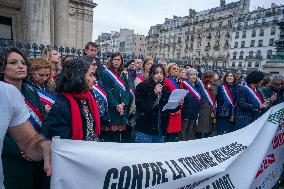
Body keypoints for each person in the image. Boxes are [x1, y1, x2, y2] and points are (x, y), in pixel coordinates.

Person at [0, 46, 47, 189]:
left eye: (23, 62)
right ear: (2, 68)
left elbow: (43, 121)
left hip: (37, 157)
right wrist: (23, 149)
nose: (20, 66)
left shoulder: (31, 90)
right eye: (13, 62)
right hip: (14, 160)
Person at [43, 57, 101, 141]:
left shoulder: (87, 98)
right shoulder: (62, 106)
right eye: (91, 75)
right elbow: (60, 142)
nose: (95, 79)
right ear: (78, 77)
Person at [134, 64, 182, 143]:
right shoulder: (142, 86)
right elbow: (141, 107)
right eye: (156, 73)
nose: (159, 76)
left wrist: (177, 104)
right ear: (151, 74)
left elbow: (169, 108)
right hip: (145, 131)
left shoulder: (165, 88)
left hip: (160, 131)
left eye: (161, 73)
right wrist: (154, 93)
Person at [100, 52, 131, 142]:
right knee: (109, 137)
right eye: (114, 59)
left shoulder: (123, 74)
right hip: (112, 109)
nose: (116, 62)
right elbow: (107, 91)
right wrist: (116, 105)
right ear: (111, 61)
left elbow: (128, 91)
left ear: (121, 61)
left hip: (122, 108)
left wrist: (124, 104)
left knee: (118, 137)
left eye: (118, 60)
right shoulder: (105, 73)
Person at [196, 70, 218, 139]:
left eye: (211, 77)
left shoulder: (216, 86)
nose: (209, 79)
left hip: (211, 110)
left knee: (208, 129)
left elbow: (217, 97)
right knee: (199, 129)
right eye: (207, 77)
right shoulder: (199, 85)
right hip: (201, 110)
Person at [180, 68, 200, 140]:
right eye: (191, 74)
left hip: (194, 112)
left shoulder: (198, 86)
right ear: (187, 76)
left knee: (191, 130)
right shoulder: (183, 85)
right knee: (183, 130)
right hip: (186, 111)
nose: (194, 76)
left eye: (195, 74)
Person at [164, 63, 182, 142]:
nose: (176, 70)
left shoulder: (178, 82)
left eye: (177, 69)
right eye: (173, 69)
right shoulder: (166, 80)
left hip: (177, 110)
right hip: (170, 111)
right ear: (168, 71)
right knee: (169, 135)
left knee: (174, 134)